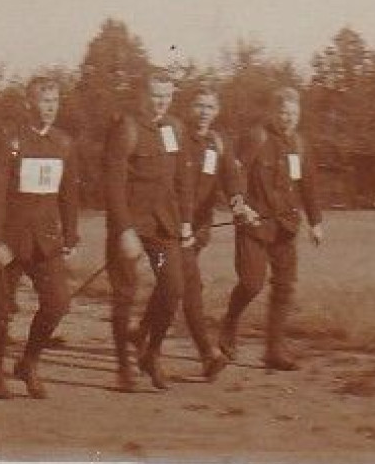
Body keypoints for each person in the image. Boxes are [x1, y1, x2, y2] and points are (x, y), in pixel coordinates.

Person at [0, 76, 79, 399]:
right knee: (1, 312)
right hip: (10, 242)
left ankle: (29, 362)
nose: (50, 108)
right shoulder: (11, 141)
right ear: (29, 104)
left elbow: (68, 193)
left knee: (58, 304)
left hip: (47, 241)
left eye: (54, 101)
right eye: (44, 101)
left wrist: (71, 234)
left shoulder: (63, 143)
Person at [218, 86, 325, 370]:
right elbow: (233, 172)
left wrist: (316, 222)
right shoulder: (256, 137)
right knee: (252, 284)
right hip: (254, 226)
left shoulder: (299, 145)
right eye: (283, 112)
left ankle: (274, 350)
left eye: (293, 113)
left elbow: (308, 185)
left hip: (285, 228)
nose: (288, 118)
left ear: (299, 114)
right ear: (273, 112)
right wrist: (240, 206)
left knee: (284, 287)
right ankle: (229, 323)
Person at [104, 68, 195, 392]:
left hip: (163, 224)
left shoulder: (176, 129)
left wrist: (185, 221)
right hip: (130, 223)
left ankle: (150, 353)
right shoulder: (126, 128)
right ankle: (123, 367)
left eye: (167, 97)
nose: (161, 103)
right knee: (124, 295)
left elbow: (183, 181)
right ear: (143, 94)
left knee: (172, 289)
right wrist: (124, 229)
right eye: (155, 96)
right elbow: (113, 183)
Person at [173, 85, 236, 381]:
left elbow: (231, 180)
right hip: (171, 227)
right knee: (190, 286)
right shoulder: (177, 139)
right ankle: (208, 354)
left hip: (198, 230)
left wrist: (238, 203)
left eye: (210, 107)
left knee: (173, 286)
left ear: (217, 111)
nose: (204, 113)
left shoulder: (218, 144)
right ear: (190, 108)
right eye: (199, 105)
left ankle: (142, 334)